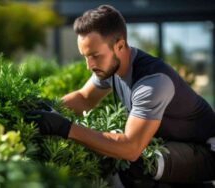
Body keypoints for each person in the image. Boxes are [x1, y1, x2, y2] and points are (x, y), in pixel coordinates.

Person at [26, 5, 215, 187]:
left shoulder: (152, 82)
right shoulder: (111, 68)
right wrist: (50, 107)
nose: (89, 65)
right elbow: (85, 98)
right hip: (175, 144)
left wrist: (65, 128)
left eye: (95, 55)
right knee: (110, 149)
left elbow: (131, 148)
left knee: (137, 161)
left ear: (120, 46)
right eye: (85, 56)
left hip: (207, 151)